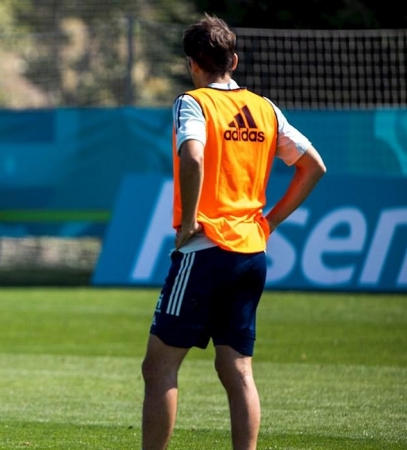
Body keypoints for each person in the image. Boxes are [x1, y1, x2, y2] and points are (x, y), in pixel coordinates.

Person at [140, 14, 326, 450]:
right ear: (234, 60)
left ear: (193, 64)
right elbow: (313, 166)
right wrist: (273, 221)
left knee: (159, 368)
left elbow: (194, 156)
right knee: (237, 371)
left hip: (206, 248)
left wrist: (188, 223)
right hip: (251, 252)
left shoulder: (194, 102)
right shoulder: (265, 108)